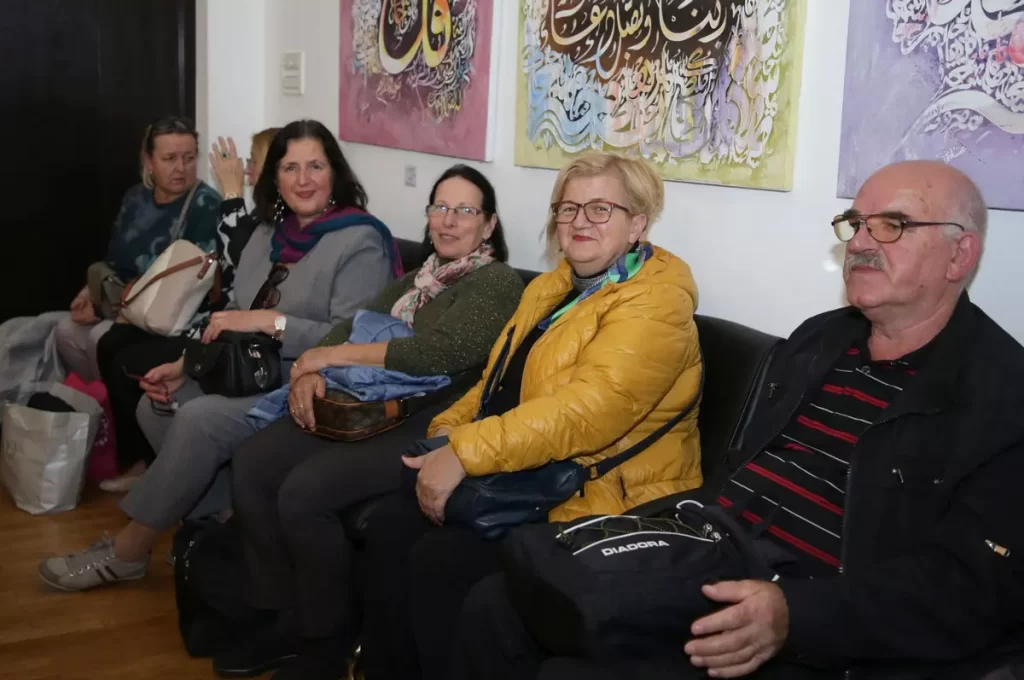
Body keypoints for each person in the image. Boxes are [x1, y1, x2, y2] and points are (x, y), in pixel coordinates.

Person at [452, 161, 1024, 680]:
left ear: (960, 255)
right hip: (708, 552)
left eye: (892, 225)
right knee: (495, 606)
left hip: (810, 616)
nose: (861, 243)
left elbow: (971, 588)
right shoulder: (821, 340)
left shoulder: (1001, 394)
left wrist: (796, 615)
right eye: (856, 223)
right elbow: (736, 472)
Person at [357, 152, 705, 680]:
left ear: (637, 224)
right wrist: (446, 434)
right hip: (523, 467)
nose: (580, 221)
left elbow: (586, 414)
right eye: (568, 208)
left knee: (441, 560)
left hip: (596, 495)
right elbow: (493, 383)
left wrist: (465, 454)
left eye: (601, 208)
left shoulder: (657, 303)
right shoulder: (551, 287)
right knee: (388, 525)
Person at [38, 119, 400, 593]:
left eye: (315, 166)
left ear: (335, 172)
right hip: (248, 369)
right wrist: (186, 364)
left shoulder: (360, 241)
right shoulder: (269, 233)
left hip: (309, 381)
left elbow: (350, 340)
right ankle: (218, 522)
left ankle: (129, 551)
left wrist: (270, 322)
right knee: (156, 404)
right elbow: (229, 316)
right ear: (274, 177)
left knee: (199, 419)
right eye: (290, 167)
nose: (303, 179)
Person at [214, 165, 525, 680]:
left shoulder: (496, 282)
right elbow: (345, 329)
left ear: (488, 225)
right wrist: (310, 373)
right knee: (253, 461)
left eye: (465, 210)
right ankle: (281, 618)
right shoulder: (416, 280)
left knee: (306, 491)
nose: (449, 221)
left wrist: (327, 359)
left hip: (431, 419)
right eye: (440, 208)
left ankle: (324, 643)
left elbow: (438, 354)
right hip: (364, 404)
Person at [93, 126, 281, 493]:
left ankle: (158, 471)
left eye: (253, 162)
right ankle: (143, 462)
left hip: (225, 331)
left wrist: (231, 195)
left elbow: (240, 272)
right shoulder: (264, 216)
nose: (244, 169)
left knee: (128, 360)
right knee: (111, 342)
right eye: (169, 158)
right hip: (215, 321)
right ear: (149, 162)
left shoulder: (263, 218)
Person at [54, 115, 221, 382]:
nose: (181, 168)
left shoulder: (206, 206)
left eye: (189, 158)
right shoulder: (135, 198)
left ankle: (111, 399)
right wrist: (90, 293)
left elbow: (192, 287)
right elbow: (114, 258)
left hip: (161, 316)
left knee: (99, 339)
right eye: (169, 158)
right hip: (119, 305)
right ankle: (103, 394)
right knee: (64, 331)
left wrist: (115, 313)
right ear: (149, 162)